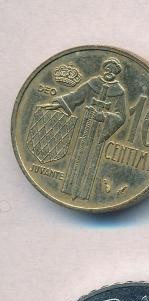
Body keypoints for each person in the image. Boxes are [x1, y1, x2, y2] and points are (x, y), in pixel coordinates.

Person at [40, 57, 127, 200]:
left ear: (117, 72)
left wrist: (104, 116)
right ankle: (69, 189)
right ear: (104, 69)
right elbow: (77, 95)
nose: (109, 72)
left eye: (113, 70)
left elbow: (121, 116)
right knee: (78, 155)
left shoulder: (119, 91)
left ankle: (82, 193)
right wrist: (59, 103)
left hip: (100, 129)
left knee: (91, 159)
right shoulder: (93, 82)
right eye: (108, 68)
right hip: (86, 123)